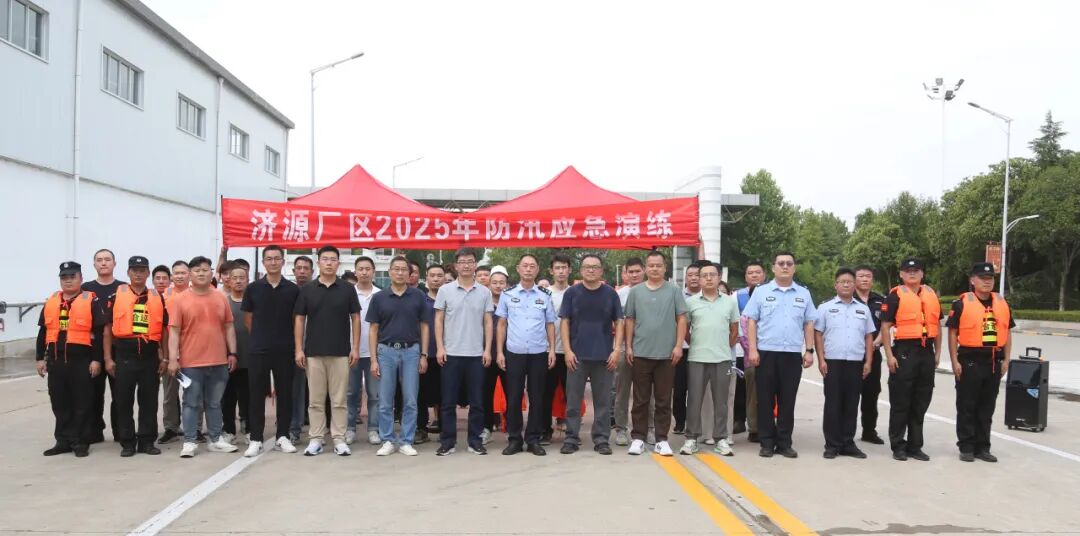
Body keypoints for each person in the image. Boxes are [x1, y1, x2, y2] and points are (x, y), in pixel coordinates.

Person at [744, 252, 817, 459]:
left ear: (794, 268)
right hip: (766, 353)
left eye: (789, 263)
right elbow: (751, 321)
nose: (785, 266)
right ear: (773, 267)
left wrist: (809, 350)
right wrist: (752, 349)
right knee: (765, 400)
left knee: (787, 400)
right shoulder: (761, 292)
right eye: (781, 263)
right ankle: (767, 442)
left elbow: (809, 323)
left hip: (791, 355)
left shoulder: (803, 293)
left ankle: (784, 443)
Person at [166, 256, 239, 458]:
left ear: (211, 273)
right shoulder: (180, 299)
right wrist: (173, 359)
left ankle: (215, 439)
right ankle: (190, 441)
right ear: (190, 274)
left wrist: (232, 353)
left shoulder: (220, 297)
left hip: (219, 361)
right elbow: (174, 332)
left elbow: (229, 327)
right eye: (197, 270)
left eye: (205, 269)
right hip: (191, 363)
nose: (201, 273)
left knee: (215, 403)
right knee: (191, 403)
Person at [293, 246, 361, 457]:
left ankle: (339, 438)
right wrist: (299, 349)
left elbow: (356, 318)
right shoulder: (308, 289)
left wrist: (355, 348)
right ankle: (316, 438)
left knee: (339, 400)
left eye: (333, 259)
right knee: (315, 400)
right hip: (313, 353)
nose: (329, 263)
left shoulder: (347, 289)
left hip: (341, 352)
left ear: (338, 263)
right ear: (319, 263)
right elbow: (299, 319)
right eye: (325, 259)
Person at [947, 262, 1014, 463]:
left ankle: (983, 447)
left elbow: (1007, 332)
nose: (987, 282)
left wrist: (1007, 359)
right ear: (972, 280)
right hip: (970, 361)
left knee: (987, 407)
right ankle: (966, 447)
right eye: (982, 278)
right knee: (967, 406)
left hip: (993, 361)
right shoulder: (961, 303)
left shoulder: (1001, 303)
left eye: (990, 278)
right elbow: (952, 333)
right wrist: (954, 361)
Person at [624, 250, 688, 456]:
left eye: (658, 265)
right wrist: (629, 346)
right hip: (640, 352)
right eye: (651, 265)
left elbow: (681, 319)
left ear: (665, 267)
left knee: (663, 399)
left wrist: (678, 345)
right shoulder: (636, 292)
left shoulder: (674, 291)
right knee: (640, 399)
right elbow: (630, 320)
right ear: (645, 268)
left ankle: (661, 439)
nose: (654, 269)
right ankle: (638, 437)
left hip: (667, 355)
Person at [37, 262, 103, 457]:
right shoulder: (52, 301)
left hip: (81, 361)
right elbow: (42, 332)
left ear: (81, 279)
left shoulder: (90, 300)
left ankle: (81, 441)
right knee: (59, 401)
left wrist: (97, 360)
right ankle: (63, 440)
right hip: (56, 361)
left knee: (82, 402)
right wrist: (39, 358)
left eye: (72, 276)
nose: (68, 280)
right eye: (64, 277)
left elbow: (99, 334)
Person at [559, 254, 623, 455]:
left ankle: (601, 439)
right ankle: (571, 438)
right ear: (581, 270)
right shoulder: (572, 293)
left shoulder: (610, 294)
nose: (591, 270)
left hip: (604, 357)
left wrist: (616, 350)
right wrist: (567, 351)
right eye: (587, 267)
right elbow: (564, 322)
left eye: (595, 267)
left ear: (601, 270)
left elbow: (619, 321)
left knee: (603, 402)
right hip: (576, 357)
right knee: (573, 401)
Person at [240, 246, 301, 457]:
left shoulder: (293, 290)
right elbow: (248, 319)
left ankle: (283, 436)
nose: (273, 262)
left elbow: (296, 320)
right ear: (263, 262)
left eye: (276, 258)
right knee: (256, 394)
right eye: (269, 259)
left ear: (283, 262)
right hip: (259, 349)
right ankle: (256, 438)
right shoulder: (253, 288)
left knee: (285, 393)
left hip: (285, 348)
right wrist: (261, 337)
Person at [880, 257, 942, 462]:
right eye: (908, 271)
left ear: (922, 274)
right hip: (905, 352)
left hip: (926, 352)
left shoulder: (931, 294)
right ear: (901, 274)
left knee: (921, 401)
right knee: (901, 401)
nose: (912, 273)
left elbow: (937, 325)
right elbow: (885, 327)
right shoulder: (895, 295)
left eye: (916, 270)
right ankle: (898, 445)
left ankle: (915, 446)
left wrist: (938, 353)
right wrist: (889, 356)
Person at [367, 256, 430, 456]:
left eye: (404, 269)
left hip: (411, 351)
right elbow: (373, 329)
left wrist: (424, 354)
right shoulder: (379, 297)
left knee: (410, 399)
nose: (400, 272)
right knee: (385, 400)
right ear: (390, 272)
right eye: (396, 269)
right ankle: (387, 439)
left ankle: (406, 440)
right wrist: (373, 359)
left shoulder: (418, 296)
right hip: (385, 352)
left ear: (410, 274)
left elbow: (424, 326)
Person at [102, 256, 165, 457]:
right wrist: (108, 359)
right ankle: (127, 442)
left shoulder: (157, 296)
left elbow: (163, 329)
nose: (138, 274)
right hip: (125, 355)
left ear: (148, 273)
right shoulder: (116, 295)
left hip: (149, 356)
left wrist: (164, 357)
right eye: (135, 270)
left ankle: (147, 441)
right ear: (128, 272)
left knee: (149, 401)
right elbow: (107, 330)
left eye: (142, 270)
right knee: (123, 400)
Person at [434, 248, 494, 456]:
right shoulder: (445, 290)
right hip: (451, 354)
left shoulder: (484, 292)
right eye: (462, 262)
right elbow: (439, 320)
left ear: (475, 265)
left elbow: (488, 322)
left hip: (476, 355)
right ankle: (448, 441)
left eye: (470, 261)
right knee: (448, 402)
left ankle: (475, 441)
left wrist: (487, 349)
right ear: (456, 265)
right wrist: (440, 347)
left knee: (477, 402)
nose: (466, 265)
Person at [496, 254, 557, 456]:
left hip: (538, 352)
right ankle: (514, 439)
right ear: (518, 268)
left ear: (537, 269)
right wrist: (499, 352)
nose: (528, 269)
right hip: (514, 352)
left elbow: (550, 324)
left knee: (537, 397)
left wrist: (551, 349)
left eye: (532, 266)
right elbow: (501, 324)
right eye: (525, 266)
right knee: (514, 397)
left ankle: (533, 439)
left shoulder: (545, 295)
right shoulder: (507, 294)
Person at [814, 267, 875, 460]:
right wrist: (821, 359)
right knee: (833, 403)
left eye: (849, 282)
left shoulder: (863, 309)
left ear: (854, 285)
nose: (846, 284)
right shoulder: (825, 308)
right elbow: (818, 334)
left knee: (851, 403)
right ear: (836, 285)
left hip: (855, 362)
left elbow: (869, 336)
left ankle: (848, 443)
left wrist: (869, 361)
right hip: (833, 362)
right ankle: (832, 444)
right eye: (843, 282)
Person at [681, 261, 740, 456]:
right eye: (704, 275)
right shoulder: (691, 302)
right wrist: (696, 344)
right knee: (694, 400)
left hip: (722, 359)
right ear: (699, 279)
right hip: (697, 358)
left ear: (719, 277)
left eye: (712, 275)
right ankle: (691, 438)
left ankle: (721, 438)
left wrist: (722, 346)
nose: (708, 278)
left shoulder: (730, 302)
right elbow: (685, 330)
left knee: (721, 401)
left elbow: (734, 330)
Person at [82, 248, 126, 444]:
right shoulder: (85, 289)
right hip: (92, 348)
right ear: (94, 264)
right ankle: (95, 431)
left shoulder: (123, 288)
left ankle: (120, 431)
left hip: (118, 348)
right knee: (93, 393)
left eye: (107, 259)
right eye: (99, 260)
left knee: (120, 393)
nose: (103, 263)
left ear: (114, 263)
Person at [346, 256, 382, 447]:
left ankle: (373, 429)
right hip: (351, 352)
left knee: (375, 394)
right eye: (361, 269)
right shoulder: (347, 293)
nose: (364, 272)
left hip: (374, 353)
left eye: (368, 269)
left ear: (373, 272)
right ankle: (350, 428)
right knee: (351, 393)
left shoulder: (380, 295)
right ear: (355, 272)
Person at [853, 265, 887, 445]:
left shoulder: (881, 300)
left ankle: (869, 431)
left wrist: (877, 341)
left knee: (871, 393)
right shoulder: (848, 298)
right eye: (861, 276)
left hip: (874, 354)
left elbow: (886, 325)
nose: (865, 279)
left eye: (868, 276)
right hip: (852, 355)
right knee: (850, 394)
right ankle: (846, 432)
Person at [613, 257, 645, 446]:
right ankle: (621, 429)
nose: (634, 275)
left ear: (644, 271)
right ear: (625, 274)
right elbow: (614, 321)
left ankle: (647, 428)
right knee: (622, 392)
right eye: (630, 272)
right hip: (624, 348)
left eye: (637, 271)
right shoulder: (619, 295)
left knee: (646, 393)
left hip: (646, 349)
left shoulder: (651, 291)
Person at [542, 253, 572, 446]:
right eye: (557, 268)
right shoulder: (544, 293)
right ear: (551, 271)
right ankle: (545, 430)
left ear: (569, 270)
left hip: (570, 351)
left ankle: (572, 431)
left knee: (572, 394)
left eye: (564, 268)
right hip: (548, 351)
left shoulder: (575, 292)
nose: (561, 271)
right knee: (545, 393)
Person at [734, 261, 766, 443]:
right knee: (752, 396)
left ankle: (768, 425)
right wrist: (756, 353)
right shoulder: (742, 309)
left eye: (758, 272)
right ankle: (754, 428)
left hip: (772, 359)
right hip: (751, 360)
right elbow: (744, 338)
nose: (754, 275)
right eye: (750, 272)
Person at [157, 260, 189, 444]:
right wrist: (165, 356)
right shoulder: (163, 296)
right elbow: (161, 328)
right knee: (169, 394)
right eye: (176, 273)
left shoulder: (196, 294)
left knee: (192, 393)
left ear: (189, 275)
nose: (180, 276)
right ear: (172, 276)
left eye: (183, 273)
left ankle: (195, 428)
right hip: (171, 354)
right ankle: (171, 428)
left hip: (191, 353)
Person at [222, 262, 251, 446]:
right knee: (228, 397)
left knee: (247, 396)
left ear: (247, 280)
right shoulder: (223, 302)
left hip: (249, 357)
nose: (238, 281)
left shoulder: (253, 301)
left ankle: (248, 429)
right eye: (235, 278)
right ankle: (229, 430)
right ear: (229, 281)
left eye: (242, 278)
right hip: (227, 357)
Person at [674, 261, 704, 435]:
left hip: (701, 350)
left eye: (697, 275)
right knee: (679, 388)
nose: (693, 278)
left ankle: (695, 423)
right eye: (690, 275)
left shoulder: (707, 296)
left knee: (697, 389)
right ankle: (679, 421)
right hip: (681, 349)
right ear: (685, 278)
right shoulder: (678, 295)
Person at [417, 263, 446, 443]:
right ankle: (421, 428)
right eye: (432, 275)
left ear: (444, 278)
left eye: (439, 275)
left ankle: (445, 429)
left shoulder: (450, 298)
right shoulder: (419, 300)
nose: (436, 279)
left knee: (445, 395)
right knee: (420, 394)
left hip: (446, 354)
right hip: (424, 354)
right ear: (426, 278)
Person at [482, 266, 509, 444]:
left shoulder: (512, 302)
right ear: (489, 284)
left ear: (507, 284)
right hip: (486, 354)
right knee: (485, 393)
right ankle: (486, 427)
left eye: (502, 282)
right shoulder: (483, 303)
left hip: (509, 354)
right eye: (495, 282)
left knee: (512, 393)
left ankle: (512, 428)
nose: (498, 286)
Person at [288, 255, 314, 443]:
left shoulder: (317, 290)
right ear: (293, 271)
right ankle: (294, 429)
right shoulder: (289, 291)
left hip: (317, 346)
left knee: (319, 393)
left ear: (312, 271)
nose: (302, 271)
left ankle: (319, 430)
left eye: (306, 268)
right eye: (299, 268)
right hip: (295, 347)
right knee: (296, 391)